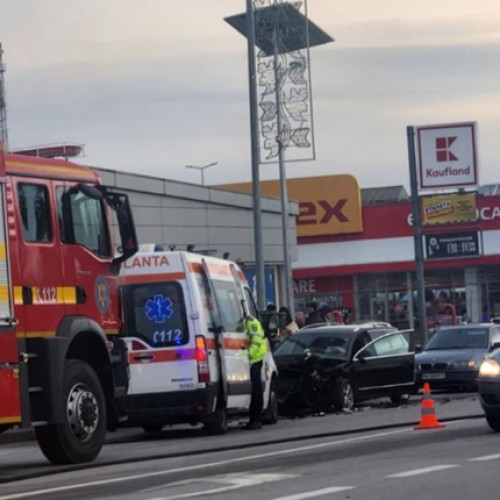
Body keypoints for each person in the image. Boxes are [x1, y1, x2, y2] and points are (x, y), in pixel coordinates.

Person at [243, 312, 268, 430]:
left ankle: (256, 420)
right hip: (253, 360)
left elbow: (256, 342)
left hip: (255, 360)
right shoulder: (245, 322)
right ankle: (255, 419)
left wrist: (247, 356)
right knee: (255, 391)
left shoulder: (252, 323)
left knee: (256, 391)